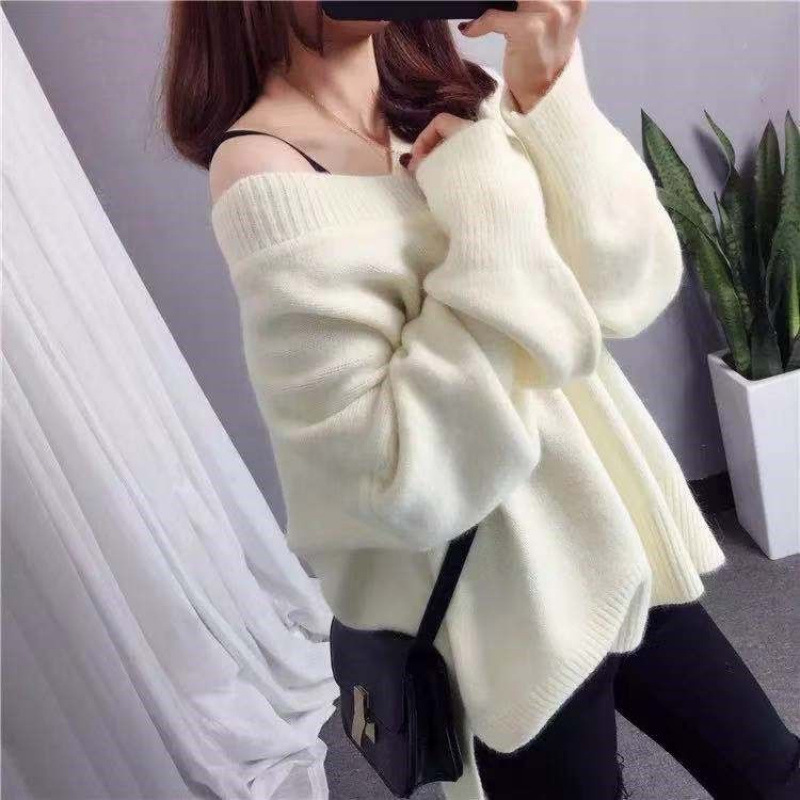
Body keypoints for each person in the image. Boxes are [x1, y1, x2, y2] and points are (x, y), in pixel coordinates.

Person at [161, 2, 800, 798]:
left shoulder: (462, 90)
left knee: (777, 773)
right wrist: (487, 205)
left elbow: (625, 287)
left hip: (609, 533)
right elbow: (395, 475)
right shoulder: (264, 172)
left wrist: (549, 90)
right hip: (500, 601)